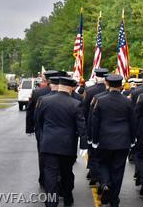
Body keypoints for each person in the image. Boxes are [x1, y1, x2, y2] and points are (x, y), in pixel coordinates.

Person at [37, 77, 87, 207]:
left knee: (50, 174)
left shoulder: (44, 100)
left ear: (59, 86)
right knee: (67, 173)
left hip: (48, 144)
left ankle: (51, 202)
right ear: (70, 88)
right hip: (67, 145)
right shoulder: (75, 104)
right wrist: (83, 144)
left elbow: (39, 121)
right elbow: (81, 126)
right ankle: (68, 197)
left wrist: (45, 136)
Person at [91, 74, 136, 207]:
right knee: (118, 170)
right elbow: (133, 122)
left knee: (103, 163)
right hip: (122, 141)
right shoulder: (128, 101)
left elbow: (95, 122)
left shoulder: (101, 101)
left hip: (104, 139)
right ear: (121, 85)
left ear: (107, 83)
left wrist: (94, 139)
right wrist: (133, 139)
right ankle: (114, 199)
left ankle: (105, 184)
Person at [26, 70, 58, 187]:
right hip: (60, 130)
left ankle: (44, 179)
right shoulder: (64, 92)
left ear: (46, 79)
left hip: (42, 129)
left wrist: (30, 128)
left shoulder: (37, 93)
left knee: (42, 154)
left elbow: (30, 111)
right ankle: (57, 179)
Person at [83, 68, 108, 185]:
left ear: (96, 77)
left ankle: (94, 174)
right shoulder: (110, 91)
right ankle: (100, 176)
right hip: (106, 128)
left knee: (92, 151)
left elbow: (84, 110)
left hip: (91, 125)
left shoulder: (89, 91)